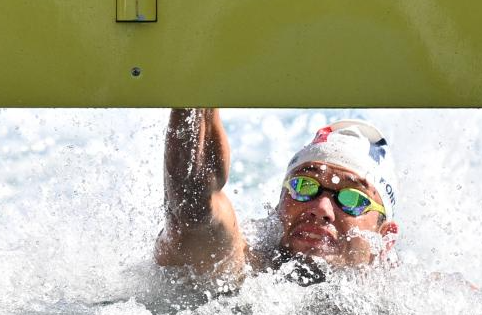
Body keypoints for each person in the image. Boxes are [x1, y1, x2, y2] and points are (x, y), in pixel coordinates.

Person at [155, 109, 399, 286]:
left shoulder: (406, 309)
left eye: (352, 198)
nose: (321, 208)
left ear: (385, 239)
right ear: (279, 204)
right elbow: (194, 206)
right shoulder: (245, 267)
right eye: (304, 186)